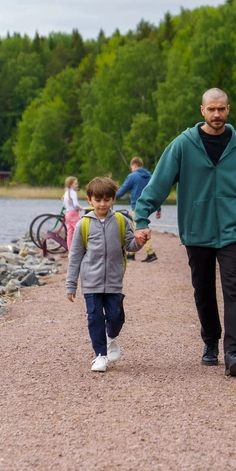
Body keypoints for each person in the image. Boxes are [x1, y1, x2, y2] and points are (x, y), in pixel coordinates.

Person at [133, 88, 236, 377]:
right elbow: (159, 183)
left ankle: (234, 352)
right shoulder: (183, 145)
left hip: (233, 231)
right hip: (197, 232)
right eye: (211, 109)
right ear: (202, 111)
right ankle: (210, 342)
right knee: (203, 291)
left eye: (221, 109)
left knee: (233, 290)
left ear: (228, 110)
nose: (216, 114)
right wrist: (142, 217)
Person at [66, 176, 143, 372]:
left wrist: (140, 241)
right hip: (90, 282)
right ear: (90, 200)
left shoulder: (121, 221)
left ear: (113, 200)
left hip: (114, 281)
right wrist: (71, 285)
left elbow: (130, 245)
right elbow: (75, 256)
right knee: (94, 318)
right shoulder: (83, 224)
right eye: (98, 200)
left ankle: (112, 337)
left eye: (107, 199)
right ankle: (100, 355)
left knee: (116, 316)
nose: (102, 204)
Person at [116, 157, 162, 263]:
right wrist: (159, 209)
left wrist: (110, 198)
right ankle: (131, 254)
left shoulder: (133, 176)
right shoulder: (150, 176)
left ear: (134, 165)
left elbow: (122, 190)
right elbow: (156, 192)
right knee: (135, 227)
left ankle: (151, 253)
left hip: (137, 207)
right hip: (148, 207)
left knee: (140, 229)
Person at [62, 176, 82, 253]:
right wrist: (80, 208)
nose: (77, 185)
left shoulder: (66, 193)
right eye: (75, 184)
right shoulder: (73, 193)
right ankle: (82, 248)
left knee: (70, 232)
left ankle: (70, 250)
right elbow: (76, 204)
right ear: (71, 185)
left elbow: (64, 204)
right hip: (73, 213)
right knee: (80, 230)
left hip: (67, 213)